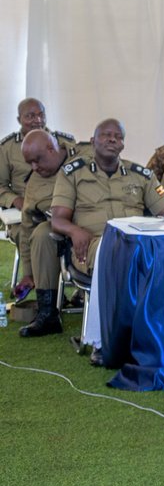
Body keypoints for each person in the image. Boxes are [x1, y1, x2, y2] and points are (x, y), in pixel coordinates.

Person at [49, 119, 164, 278]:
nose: (112, 139)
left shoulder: (141, 176)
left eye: (118, 137)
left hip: (137, 242)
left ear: (122, 145)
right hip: (95, 244)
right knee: (119, 253)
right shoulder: (72, 174)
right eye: (106, 135)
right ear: (92, 142)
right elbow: (57, 220)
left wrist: (154, 232)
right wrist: (74, 231)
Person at [0, 99, 78, 292]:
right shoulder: (7, 148)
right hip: (24, 213)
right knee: (36, 236)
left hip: (60, 206)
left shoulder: (64, 142)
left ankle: (76, 286)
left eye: (41, 114)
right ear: (19, 119)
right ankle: (38, 281)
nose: (37, 120)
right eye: (30, 116)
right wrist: (15, 200)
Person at [15, 130, 74, 336]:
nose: (34, 167)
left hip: (94, 227)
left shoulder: (85, 159)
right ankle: (47, 313)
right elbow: (26, 227)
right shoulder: (35, 180)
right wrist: (28, 273)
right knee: (41, 233)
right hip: (63, 237)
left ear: (51, 149)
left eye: (37, 160)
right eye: (29, 163)